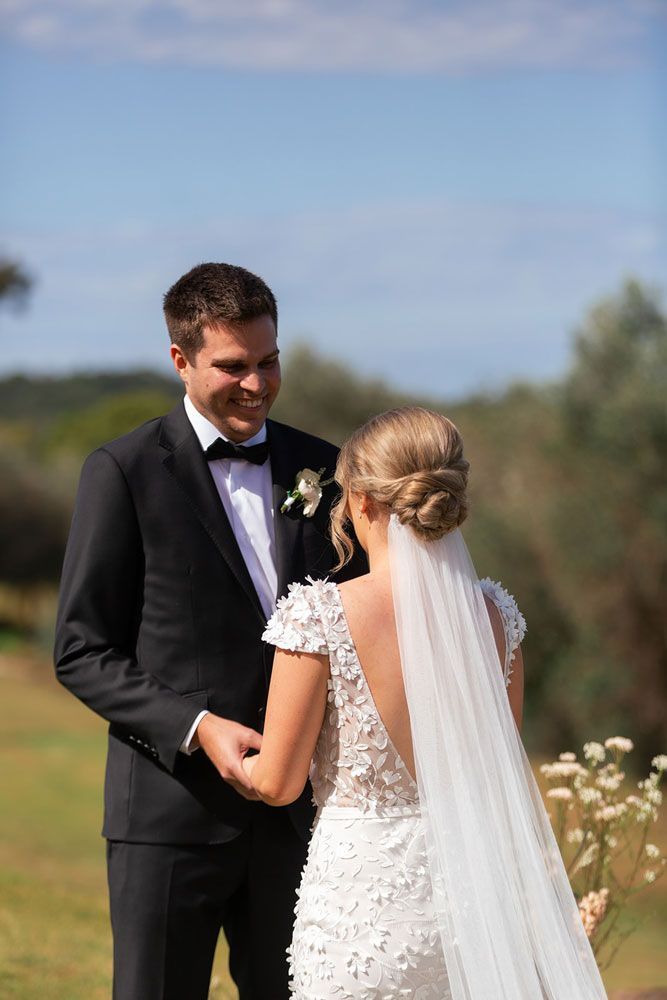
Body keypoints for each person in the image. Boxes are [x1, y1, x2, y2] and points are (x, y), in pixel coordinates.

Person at [54, 262, 363, 1000]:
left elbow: (355, 622)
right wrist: (196, 727)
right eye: (232, 367)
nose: (255, 385)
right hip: (168, 817)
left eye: (268, 362)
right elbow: (80, 649)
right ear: (180, 360)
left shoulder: (321, 468)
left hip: (299, 821)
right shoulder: (121, 471)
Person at [244, 406, 608, 999]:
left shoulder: (320, 615)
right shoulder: (495, 617)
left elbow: (279, 783)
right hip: (472, 910)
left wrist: (237, 759)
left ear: (360, 501)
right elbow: (499, 778)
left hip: (360, 909)